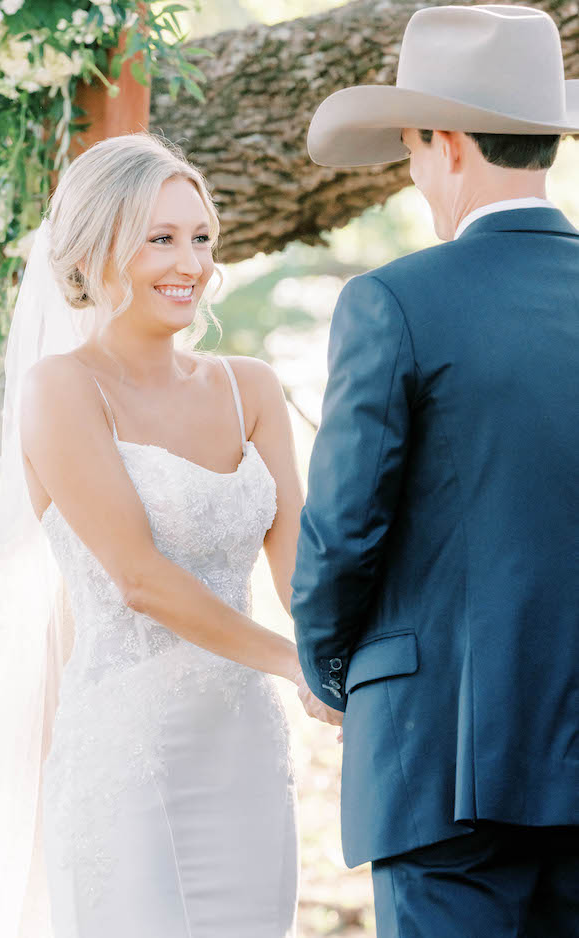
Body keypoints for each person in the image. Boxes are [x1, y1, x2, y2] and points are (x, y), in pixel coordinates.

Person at [0, 132, 341, 938]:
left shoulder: (250, 388)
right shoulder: (62, 391)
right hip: (129, 758)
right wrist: (294, 665)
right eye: (162, 239)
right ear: (97, 250)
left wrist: (360, 654)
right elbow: (138, 576)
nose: (191, 263)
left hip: (245, 751)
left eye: (202, 238)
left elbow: (303, 580)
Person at [291, 5, 579, 937]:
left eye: (412, 150)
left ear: (444, 143)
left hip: (440, 754)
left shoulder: (393, 302)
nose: (415, 174)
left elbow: (343, 528)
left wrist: (331, 669)